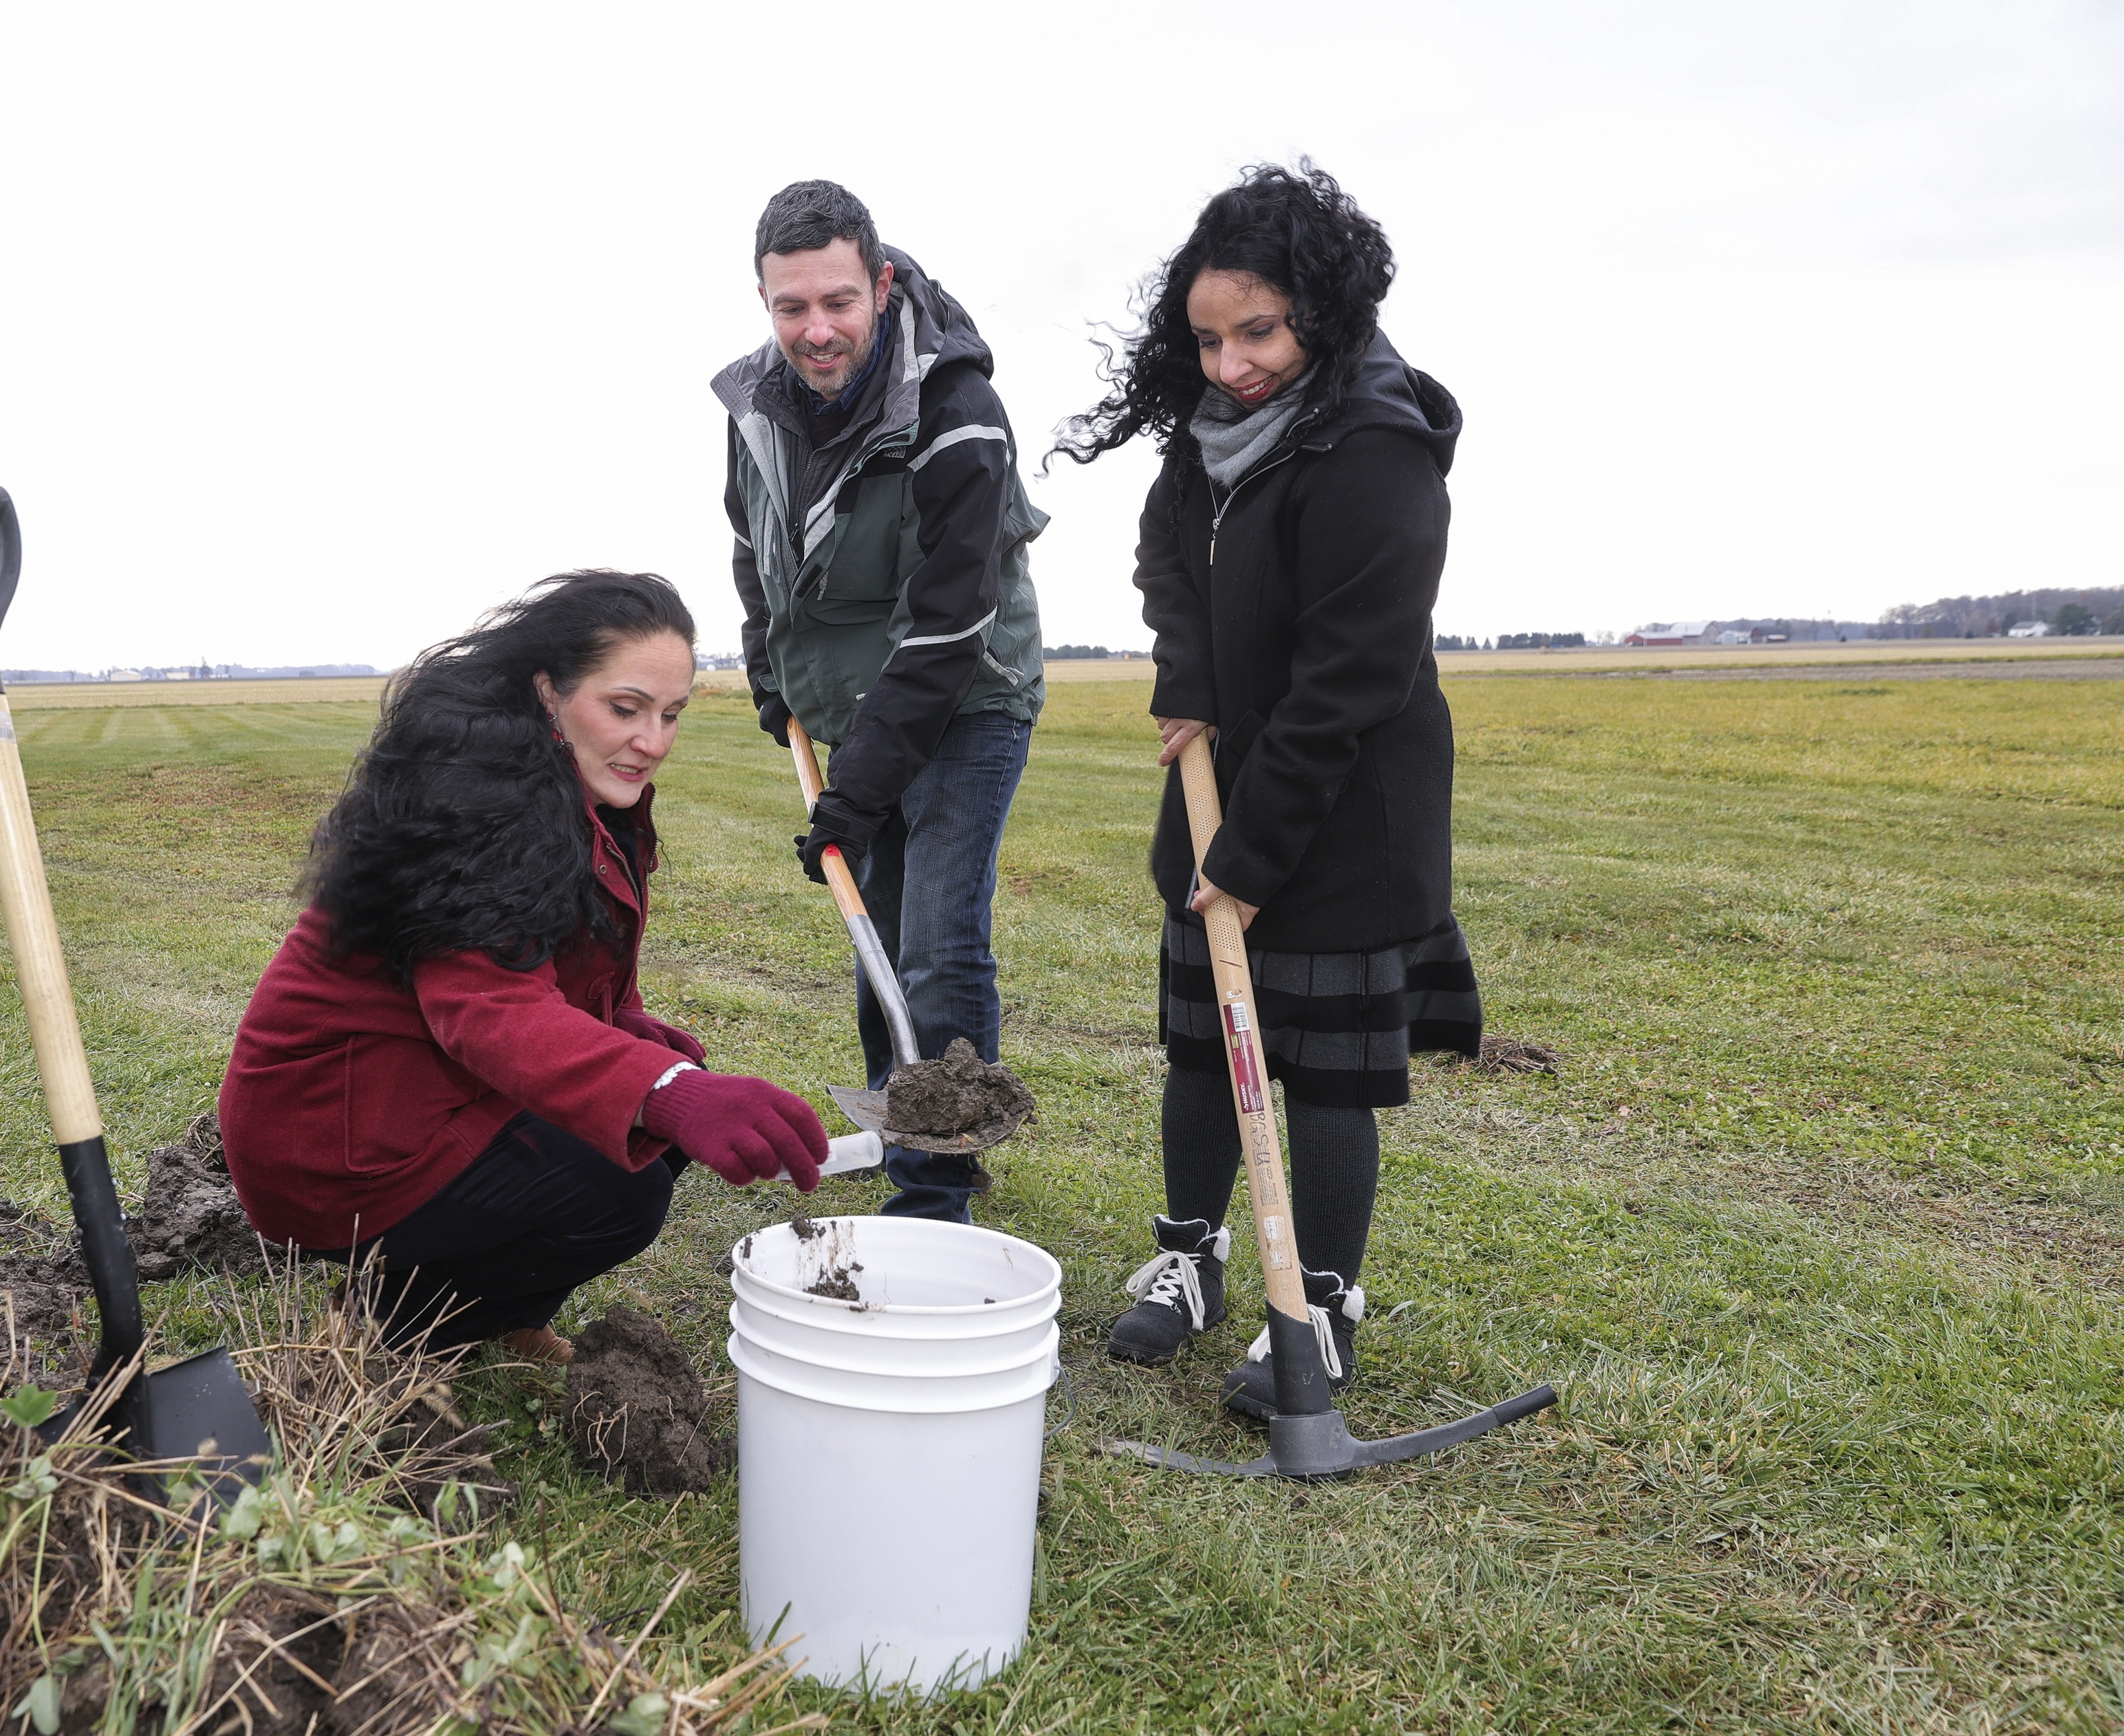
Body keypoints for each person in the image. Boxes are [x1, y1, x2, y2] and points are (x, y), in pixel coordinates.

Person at [1051, 162, 1482, 1415]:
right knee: (1203, 1047)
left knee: (1328, 1077)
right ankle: (1192, 1259)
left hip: (1344, 817)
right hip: (1219, 782)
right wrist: (1186, 675)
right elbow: (1166, 558)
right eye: (1207, 337)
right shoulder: (1207, 440)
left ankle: (1324, 1302)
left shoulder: (1380, 450)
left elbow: (1348, 683)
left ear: (1325, 317)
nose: (1231, 363)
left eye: (1260, 333)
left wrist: (1249, 852)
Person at [218, 572, 830, 1364]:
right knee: (623, 1189)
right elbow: (485, 1008)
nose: (653, 741)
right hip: (342, 1140)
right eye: (625, 708)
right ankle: (394, 1325)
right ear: (548, 693)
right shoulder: (475, 809)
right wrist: (665, 1090)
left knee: (654, 1106)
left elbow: (562, 973)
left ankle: (499, 1310)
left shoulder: (567, 795)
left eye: (671, 714)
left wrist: (650, 1051)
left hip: (426, 1094)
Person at [714, 179, 1046, 1226]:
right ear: (764, 301)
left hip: (966, 696)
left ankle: (937, 1185)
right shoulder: (755, 406)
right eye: (791, 307)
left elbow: (949, 626)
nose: (817, 331)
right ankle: (906, 1122)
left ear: (882, 283)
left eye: (839, 303)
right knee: (878, 931)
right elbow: (750, 549)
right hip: (849, 702)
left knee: (938, 942)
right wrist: (773, 679)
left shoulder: (957, 411)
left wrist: (851, 798)